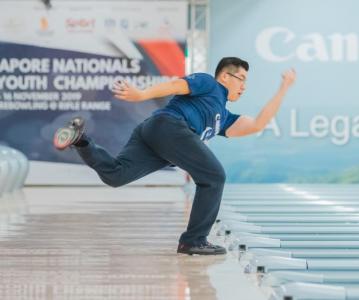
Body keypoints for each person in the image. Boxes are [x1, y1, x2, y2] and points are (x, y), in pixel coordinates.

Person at [53, 57, 296, 255]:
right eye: (241, 79)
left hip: (156, 136)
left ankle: (81, 140)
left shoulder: (223, 116)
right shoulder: (209, 83)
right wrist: (141, 95)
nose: (243, 86)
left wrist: (284, 88)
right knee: (214, 176)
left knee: (116, 175)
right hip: (169, 126)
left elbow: (256, 124)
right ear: (224, 76)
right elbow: (175, 86)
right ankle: (193, 240)